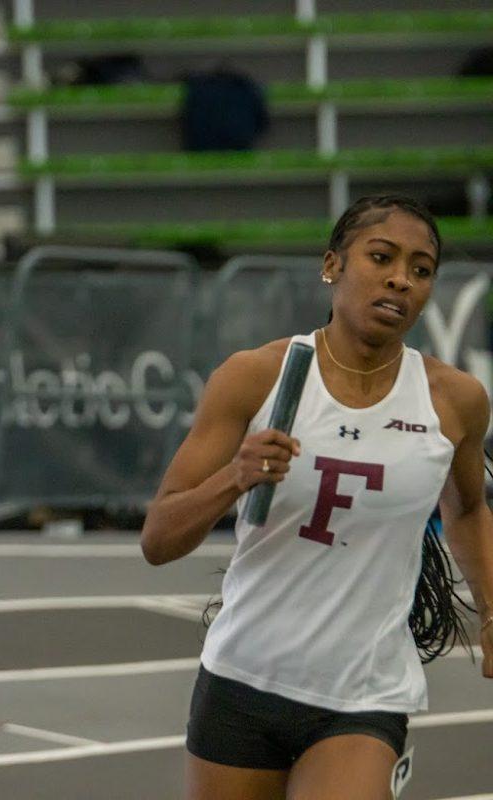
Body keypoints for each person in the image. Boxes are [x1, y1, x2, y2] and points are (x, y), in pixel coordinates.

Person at [141, 195, 493, 800]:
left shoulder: (452, 401)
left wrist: (491, 609)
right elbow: (158, 539)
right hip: (243, 681)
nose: (399, 279)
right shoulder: (257, 377)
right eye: (381, 257)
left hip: (364, 694)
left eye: (421, 269)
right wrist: (235, 477)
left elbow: (465, 509)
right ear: (332, 265)